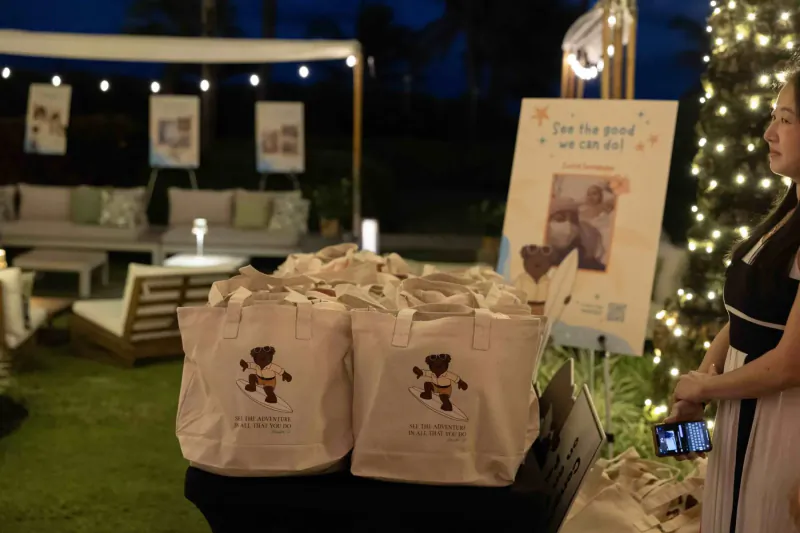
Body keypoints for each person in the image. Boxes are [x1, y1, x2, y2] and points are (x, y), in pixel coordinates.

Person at [667, 68, 800, 532]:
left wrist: (703, 389)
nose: (769, 133)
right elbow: (746, 316)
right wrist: (702, 378)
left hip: (783, 426)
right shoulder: (787, 214)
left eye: (786, 119)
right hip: (740, 409)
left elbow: (791, 364)